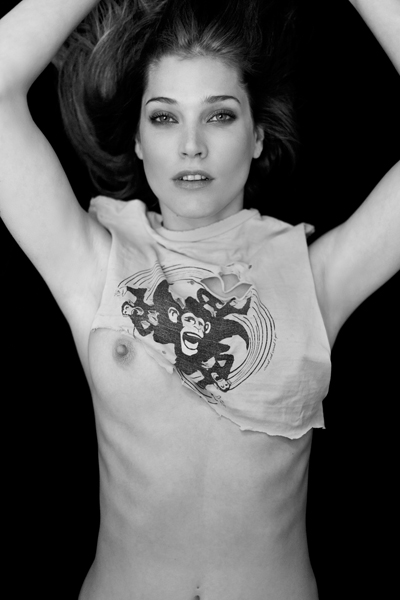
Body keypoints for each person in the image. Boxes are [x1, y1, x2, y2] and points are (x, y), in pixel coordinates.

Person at [0, 1, 399, 599]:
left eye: (220, 116)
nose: (191, 145)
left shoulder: (319, 278)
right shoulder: (94, 266)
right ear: (137, 140)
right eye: (164, 118)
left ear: (257, 135)